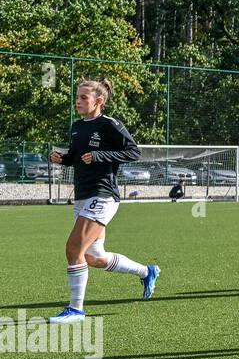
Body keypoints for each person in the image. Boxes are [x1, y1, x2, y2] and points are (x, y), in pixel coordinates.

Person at [46, 78, 160, 322]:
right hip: (83, 195)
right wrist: (63, 159)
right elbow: (77, 156)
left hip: (103, 194)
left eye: (83, 98)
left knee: (73, 248)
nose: (78, 101)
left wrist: (100, 155)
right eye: (77, 97)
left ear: (99, 101)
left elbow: (134, 152)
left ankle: (76, 309)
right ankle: (146, 271)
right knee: (93, 257)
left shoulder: (110, 125)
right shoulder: (77, 126)